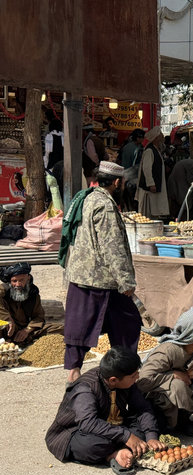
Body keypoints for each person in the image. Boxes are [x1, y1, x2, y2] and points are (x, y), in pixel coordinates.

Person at [61, 161, 142, 383]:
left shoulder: (86, 198)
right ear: (116, 182)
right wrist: (125, 280)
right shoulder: (105, 206)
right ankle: (123, 370)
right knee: (128, 322)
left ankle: (75, 369)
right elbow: (112, 246)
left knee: (80, 324)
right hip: (101, 278)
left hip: (81, 274)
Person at [45, 346, 166, 475]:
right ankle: (112, 455)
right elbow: (88, 423)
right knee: (94, 445)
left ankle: (124, 449)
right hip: (77, 432)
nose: (137, 377)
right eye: (133, 376)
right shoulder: (86, 388)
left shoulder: (126, 382)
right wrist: (126, 436)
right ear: (113, 380)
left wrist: (151, 437)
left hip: (112, 426)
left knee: (156, 418)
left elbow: (142, 408)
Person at [137, 308, 193, 436]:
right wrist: (173, 375)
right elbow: (143, 381)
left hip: (186, 390)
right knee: (178, 385)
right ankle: (179, 423)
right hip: (160, 395)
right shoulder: (168, 352)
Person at [0, 263, 63, 347]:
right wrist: (7, 318)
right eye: (14, 281)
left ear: (28, 278)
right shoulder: (4, 290)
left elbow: (39, 317)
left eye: (21, 280)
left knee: (60, 329)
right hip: (5, 330)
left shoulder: (33, 294)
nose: (18, 285)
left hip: (24, 331)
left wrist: (27, 330)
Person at [136, 126, 169, 220]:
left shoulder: (156, 150)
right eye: (160, 135)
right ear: (156, 138)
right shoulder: (150, 151)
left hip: (154, 187)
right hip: (149, 189)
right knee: (146, 214)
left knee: (153, 212)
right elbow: (146, 168)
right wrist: (151, 183)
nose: (162, 137)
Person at [167, 143, 193, 219]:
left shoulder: (192, 163)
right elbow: (192, 182)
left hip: (177, 183)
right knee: (185, 203)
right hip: (179, 184)